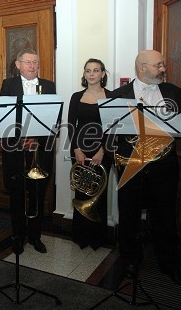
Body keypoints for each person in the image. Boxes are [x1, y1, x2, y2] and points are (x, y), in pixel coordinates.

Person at [110, 50, 181, 287]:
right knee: (129, 216)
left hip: (164, 166)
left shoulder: (174, 92)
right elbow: (110, 131)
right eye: (158, 65)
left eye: (163, 64)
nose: (163, 69)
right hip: (131, 164)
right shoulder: (118, 95)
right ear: (142, 67)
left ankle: (169, 263)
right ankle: (130, 261)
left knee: (165, 215)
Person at [0, 48, 56, 254]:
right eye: (28, 62)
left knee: (38, 195)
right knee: (16, 195)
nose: (33, 66)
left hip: (40, 150)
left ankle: (35, 236)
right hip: (16, 149)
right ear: (18, 64)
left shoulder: (49, 86)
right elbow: (4, 116)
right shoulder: (8, 85)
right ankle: (18, 235)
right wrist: (21, 138)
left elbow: (53, 119)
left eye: (35, 62)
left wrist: (37, 139)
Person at [67, 58, 112, 250]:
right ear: (84, 74)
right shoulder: (76, 97)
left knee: (99, 193)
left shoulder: (112, 96)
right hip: (79, 150)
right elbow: (71, 125)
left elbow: (114, 126)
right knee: (82, 191)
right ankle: (81, 235)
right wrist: (77, 149)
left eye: (96, 70)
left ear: (103, 73)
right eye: (88, 70)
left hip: (103, 150)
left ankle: (97, 237)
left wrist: (102, 151)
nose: (92, 74)